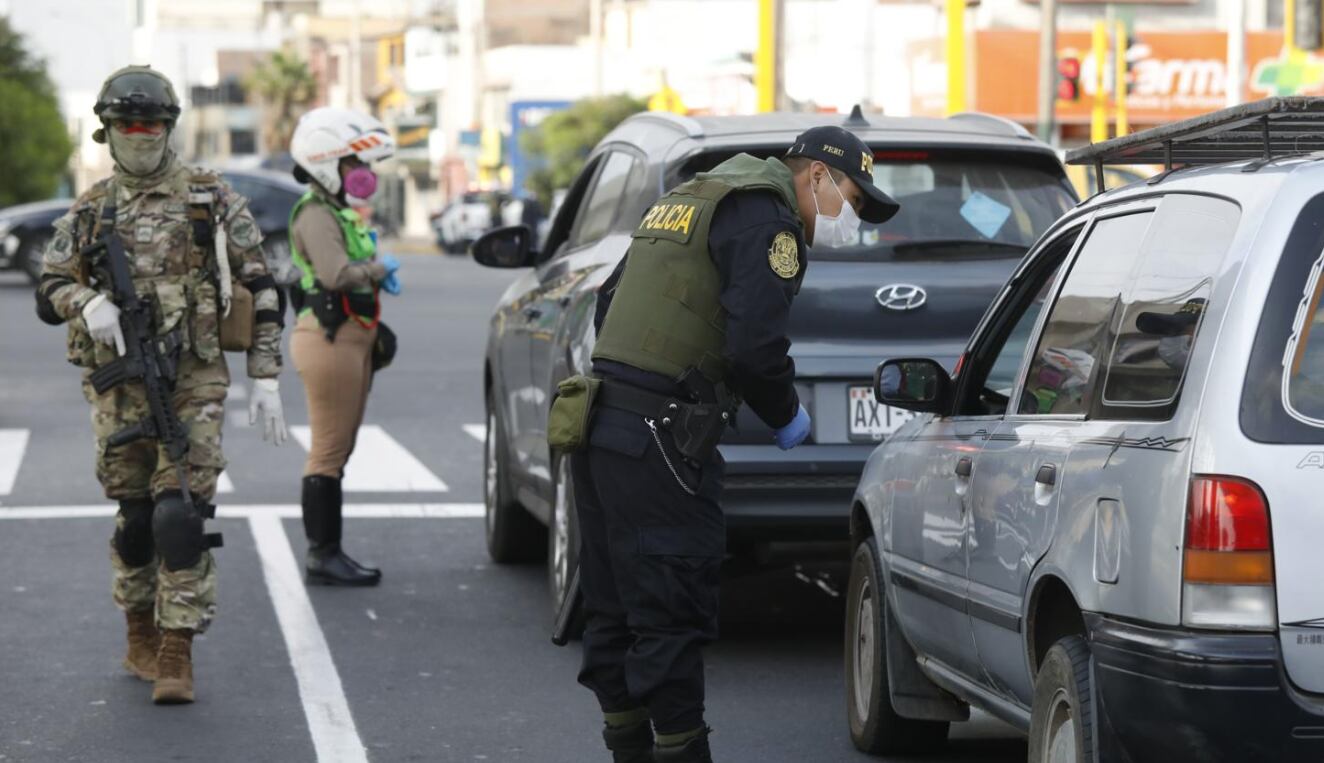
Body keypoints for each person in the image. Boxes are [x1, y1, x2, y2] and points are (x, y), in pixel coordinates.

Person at [570, 125, 899, 762]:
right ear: (818, 177)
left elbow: (609, 302)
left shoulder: (697, 195)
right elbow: (754, 347)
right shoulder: (769, 221)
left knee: (613, 607)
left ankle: (628, 750)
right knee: (670, 608)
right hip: (661, 436)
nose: (851, 219)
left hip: (602, 419)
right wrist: (784, 414)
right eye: (855, 202)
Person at [35, 66, 287, 705]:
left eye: (151, 123)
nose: (140, 133)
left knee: (181, 514)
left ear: (170, 126)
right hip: (119, 387)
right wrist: (85, 301)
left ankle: (178, 651)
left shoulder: (210, 197)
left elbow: (261, 283)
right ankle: (138, 632)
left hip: (193, 378)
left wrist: (266, 375)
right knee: (137, 520)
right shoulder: (92, 208)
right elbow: (49, 284)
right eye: (127, 124)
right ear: (108, 131)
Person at [287, 107, 399, 587]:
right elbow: (334, 274)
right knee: (329, 450)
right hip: (329, 339)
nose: (365, 174)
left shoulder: (337, 211)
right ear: (326, 164)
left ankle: (328, 551)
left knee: (342, 446)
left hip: (352, 338)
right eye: (355, 164)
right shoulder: (315, 214)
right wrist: (378, 269)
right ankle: (322, 554)